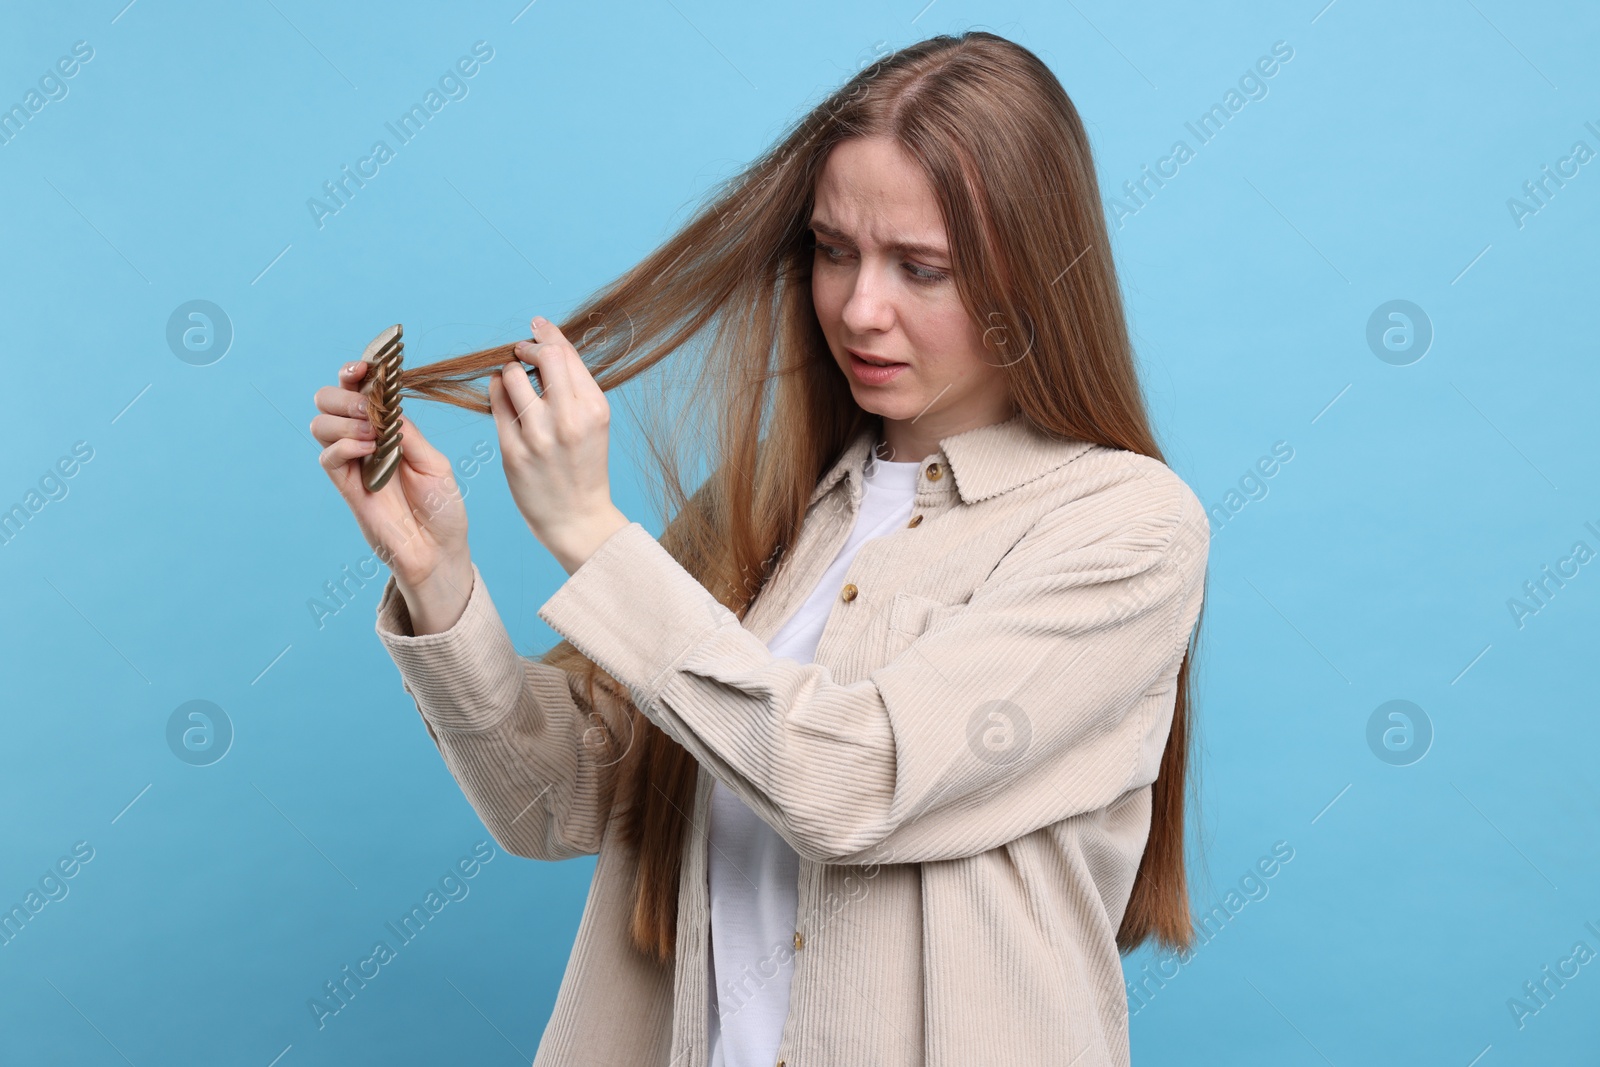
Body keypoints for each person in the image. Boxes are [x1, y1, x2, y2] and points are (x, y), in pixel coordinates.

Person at [310, 30, 1209, 1067]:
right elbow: (553, 799)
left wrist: (591, 537)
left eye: (922, 268)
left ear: (1036, 281)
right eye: (834, 250)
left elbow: (855, 779)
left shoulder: (1125, 527)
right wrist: (438, 577)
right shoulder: (765, 506)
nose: (860, 309)